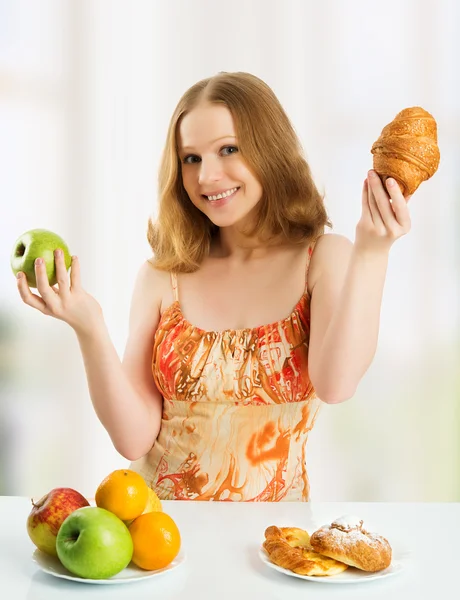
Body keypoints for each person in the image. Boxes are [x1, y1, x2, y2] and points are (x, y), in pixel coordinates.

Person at [16, 72, 412, 501]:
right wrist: (89, 325)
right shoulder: (162, 276)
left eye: (228, 150)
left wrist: (373, 253)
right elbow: (134, 440)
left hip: (274, 544)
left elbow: (336, 385)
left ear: (270, 150)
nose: (207, 177)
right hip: (161, 542)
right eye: (191, 158)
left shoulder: (322, 259)